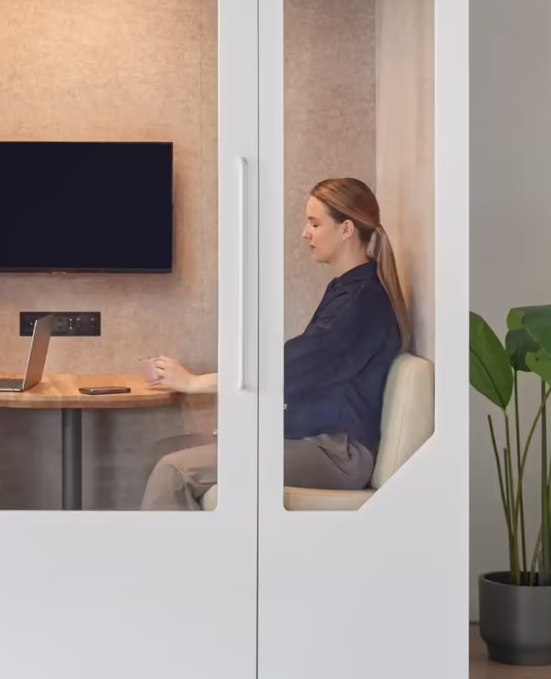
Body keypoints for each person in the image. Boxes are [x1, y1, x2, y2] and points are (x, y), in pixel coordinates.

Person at [139, 177, 410, 511]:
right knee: (162, 452)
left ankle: (174, 564)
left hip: (337, 453)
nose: (305, 233)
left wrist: (195, 383)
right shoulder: (346, 291)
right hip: (315, 439)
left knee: (173, 472)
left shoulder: (363, 303)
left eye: (314, 223)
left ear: (346, 230)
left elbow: (290, 367)